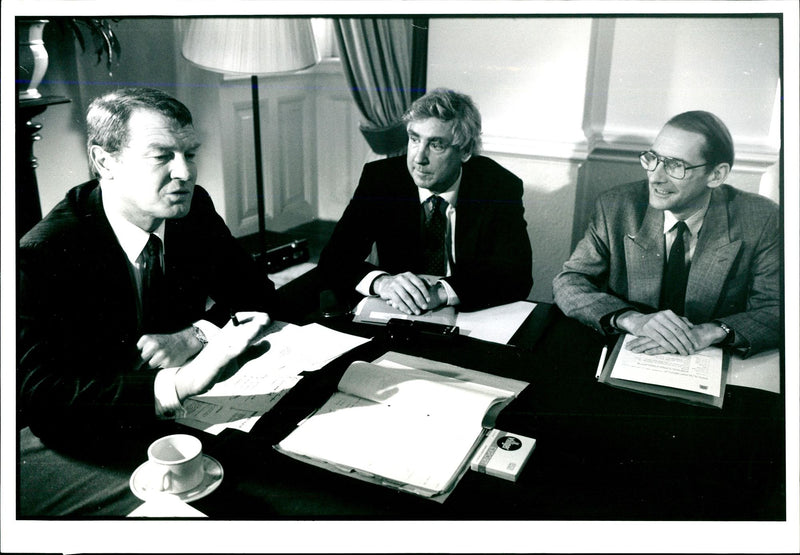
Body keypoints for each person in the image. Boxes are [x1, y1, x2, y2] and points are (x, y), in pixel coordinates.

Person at [17, 87, 277, 450]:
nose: (185, 173)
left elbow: (257, 292)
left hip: (196, 416)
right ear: (105, 162)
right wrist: (180, 383)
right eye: (161, 156)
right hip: (98, 429)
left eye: (189, 154)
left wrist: (195, 335)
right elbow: (40, 395)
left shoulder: (191, 208)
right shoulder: (45, 251)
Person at [553, 110, 780, 358]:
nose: (655, 177)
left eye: (675, 165)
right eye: (653, 158)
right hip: (633, 353)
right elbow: (570, 281)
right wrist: (630, 319)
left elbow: (777, 308)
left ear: (716, 175)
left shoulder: (762, 218)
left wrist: (711, 331)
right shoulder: (617, 206)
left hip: (708, 360)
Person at [318, 88, 533, 314]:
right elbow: (334, 259)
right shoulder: (382, 179)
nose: (419, 158)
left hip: (468, 312)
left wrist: (441, 292)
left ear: (466, 151)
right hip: (397, 312)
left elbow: (517, 276)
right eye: (414, 139)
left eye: (436, 144)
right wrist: (383, 282)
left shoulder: (498, 186)